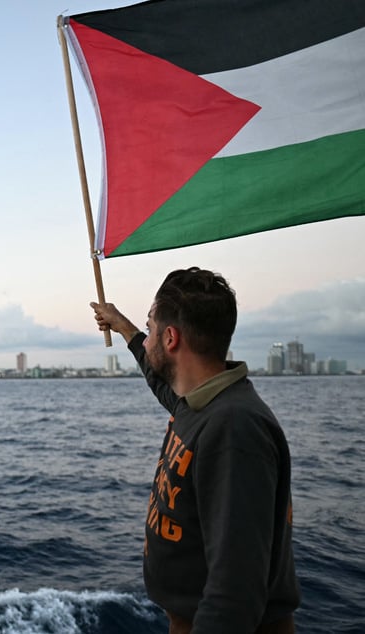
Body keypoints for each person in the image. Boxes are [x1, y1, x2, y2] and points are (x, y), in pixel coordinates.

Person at [90, 267, 300, 633]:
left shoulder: (234, 427)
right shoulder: (202, 405)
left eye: (151, 327)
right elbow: (160, 381)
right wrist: (123, 325)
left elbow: (235, 593)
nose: (148, 336)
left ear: (170, 338)